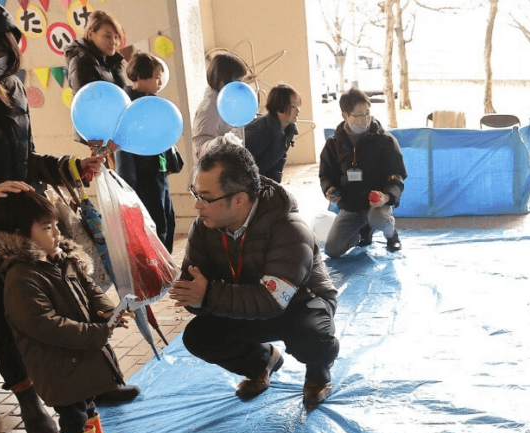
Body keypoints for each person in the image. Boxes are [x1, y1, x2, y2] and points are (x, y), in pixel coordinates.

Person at [0, 0, 115, 433]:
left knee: (55, 301)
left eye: (5, 46)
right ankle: (28, 400)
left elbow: (26, 158)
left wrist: (72, 168)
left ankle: (80, 386)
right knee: (2, 314)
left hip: (21, 220)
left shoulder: (13, 89)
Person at [170, 141, 339, 410]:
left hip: (298, 304)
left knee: (313, 336)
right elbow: (194, 290)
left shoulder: (290, 227)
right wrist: (186, 293)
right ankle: (262, 362)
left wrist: (208, 294)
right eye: (195, 194)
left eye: (206, 196)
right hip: (245, 300)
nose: (198, 206)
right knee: (198, 337)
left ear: (239, 199)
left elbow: (272, 301)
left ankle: (319, 374)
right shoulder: (204, 226)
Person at [0, 191, 130, 433]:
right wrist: (96, 332)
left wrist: (105, 310)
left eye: (55, 225)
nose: (56, 232)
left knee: (87, 401)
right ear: (20, 234)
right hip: (57, 365)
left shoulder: (61, 257)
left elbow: (91, 289)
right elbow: (46, 324)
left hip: (78, 357)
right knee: (73, 412)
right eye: (46, 228)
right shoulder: (22, 277)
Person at [320, 88, 407, 257]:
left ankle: (391, 234)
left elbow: (397, 177)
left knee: (377, 218)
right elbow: (326, 174)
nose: (365, 119)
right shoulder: (333, 143)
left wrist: (386, 197)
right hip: (351, 206)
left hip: (378, 205)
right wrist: (330, 189)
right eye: (359, 115)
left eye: (367, 113)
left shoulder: (386, 141)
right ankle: (362, 232)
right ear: (345, 115)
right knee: (332, 250)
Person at [115, 52, 184, 254]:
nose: (160, 81)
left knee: (168, 222)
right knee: (153, 225)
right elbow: (124, 147)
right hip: (142, 176)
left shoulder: (154, 101)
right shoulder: (129, 105)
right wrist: (128, 183)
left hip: (159, 171)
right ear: (142, 75)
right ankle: (157, 271)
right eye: (156, 76)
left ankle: (167, 266)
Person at [192, 52, 250, 163]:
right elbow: (200, 148)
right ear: (222, 80)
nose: (241, 86)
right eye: (238, 81)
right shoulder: (210, 108)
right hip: (215, 176)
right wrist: (223, 142)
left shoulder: (228, 104)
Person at [244, 83, 301, 183]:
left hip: (263, 182)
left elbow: (279, 163)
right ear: (279, 107)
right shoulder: (259, 130)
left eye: (298, 106)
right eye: (293, 107)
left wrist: (275, 188)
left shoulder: (289, 129)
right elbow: (241, 164)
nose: (298, 111)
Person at [64, 11, 128, 94]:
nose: (113, 42)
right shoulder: (81, 61)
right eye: (107, 36)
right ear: (90, 35)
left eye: (116, 37)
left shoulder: (112, 61)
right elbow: (89, 101)